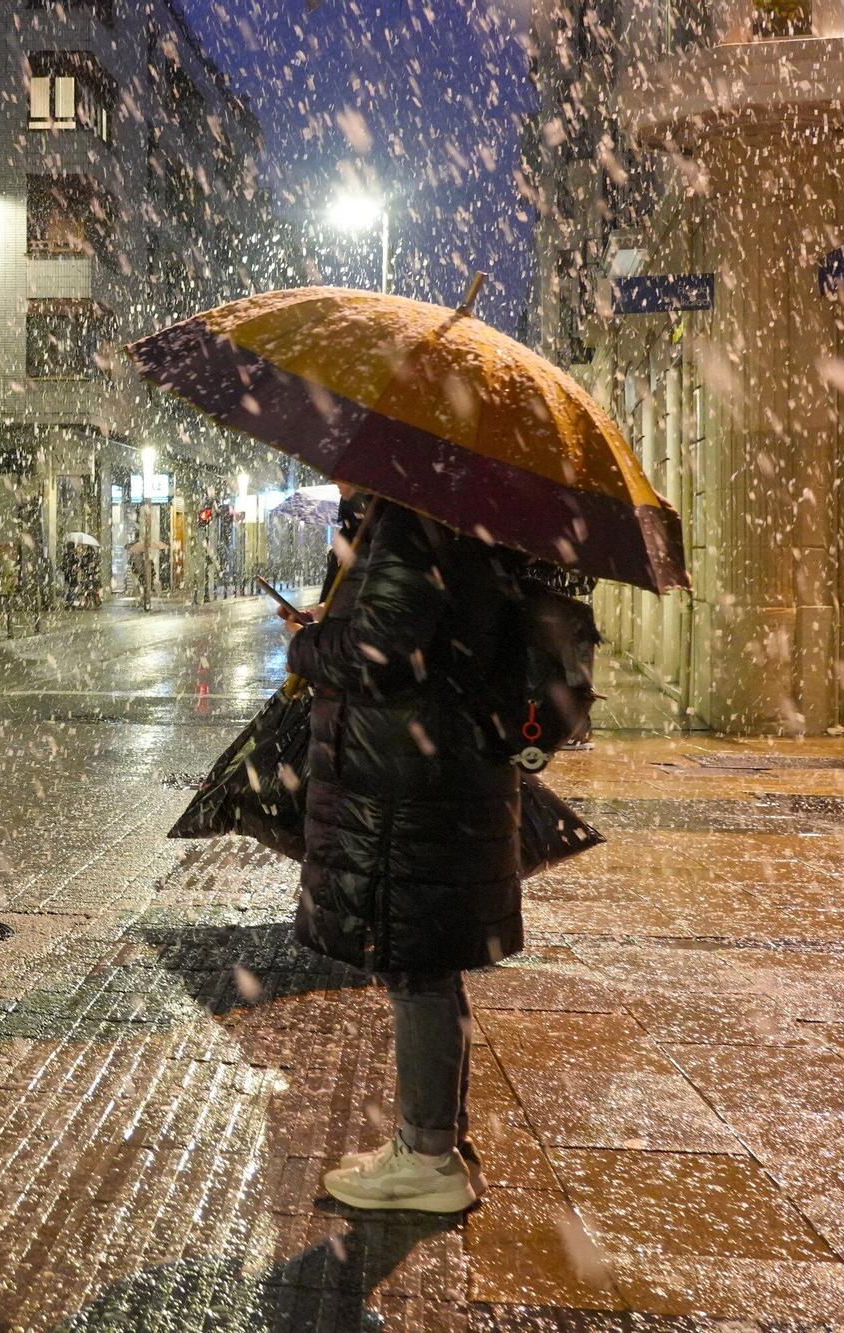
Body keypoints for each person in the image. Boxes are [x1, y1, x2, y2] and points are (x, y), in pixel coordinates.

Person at [280, 487, 521, 1214]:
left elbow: (383, 650)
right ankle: (442, 1135)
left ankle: (426, 1155)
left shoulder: (415, 519)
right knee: (431, 962)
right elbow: (408, 630)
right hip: (430, 771)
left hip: (411, 785)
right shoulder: (439, 511)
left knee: (416, 964)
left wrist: (308, 642)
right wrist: (338, 617)